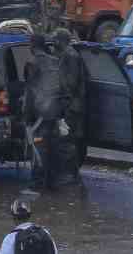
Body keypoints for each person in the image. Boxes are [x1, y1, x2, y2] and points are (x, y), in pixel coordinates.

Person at [23, 35, 65, 191]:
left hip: (39, 114)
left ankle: (37, 184)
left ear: (33, 46)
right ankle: (51, 182)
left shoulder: (33, 64)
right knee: (52, 148)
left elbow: (30, 93)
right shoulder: (55, 61)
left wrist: (27, 118)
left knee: (38, 149)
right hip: (54, 112)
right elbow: (62, 88)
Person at [53, 28, 85, 178]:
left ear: (60, 40)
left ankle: (70, 173)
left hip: (71, 105)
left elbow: (71, 83)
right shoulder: (66, 54)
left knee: (68, 139)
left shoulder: (70, 55)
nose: (53, 42)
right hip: (69, 103)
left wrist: (56, 85)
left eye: (55, 39)